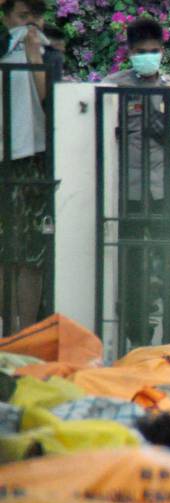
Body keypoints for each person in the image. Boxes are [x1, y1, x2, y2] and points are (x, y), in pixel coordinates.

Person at [105, 17, 170, 347]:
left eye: (153, 50)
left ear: (162, 51)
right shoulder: (112, 86)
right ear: (129, 52)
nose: (147, 56)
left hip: (165, 190)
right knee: (131, 266)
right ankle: (135, 332)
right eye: (140, 51)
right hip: (127, 190)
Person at [0, 0, 49, 332]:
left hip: (32, 160)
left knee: (31, 255)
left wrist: (35, 57)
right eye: (22, 16)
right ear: (6, 19)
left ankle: (26, 331)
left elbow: (48, 99)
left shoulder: (50, 57)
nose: (30, 24)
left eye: (35, 16)